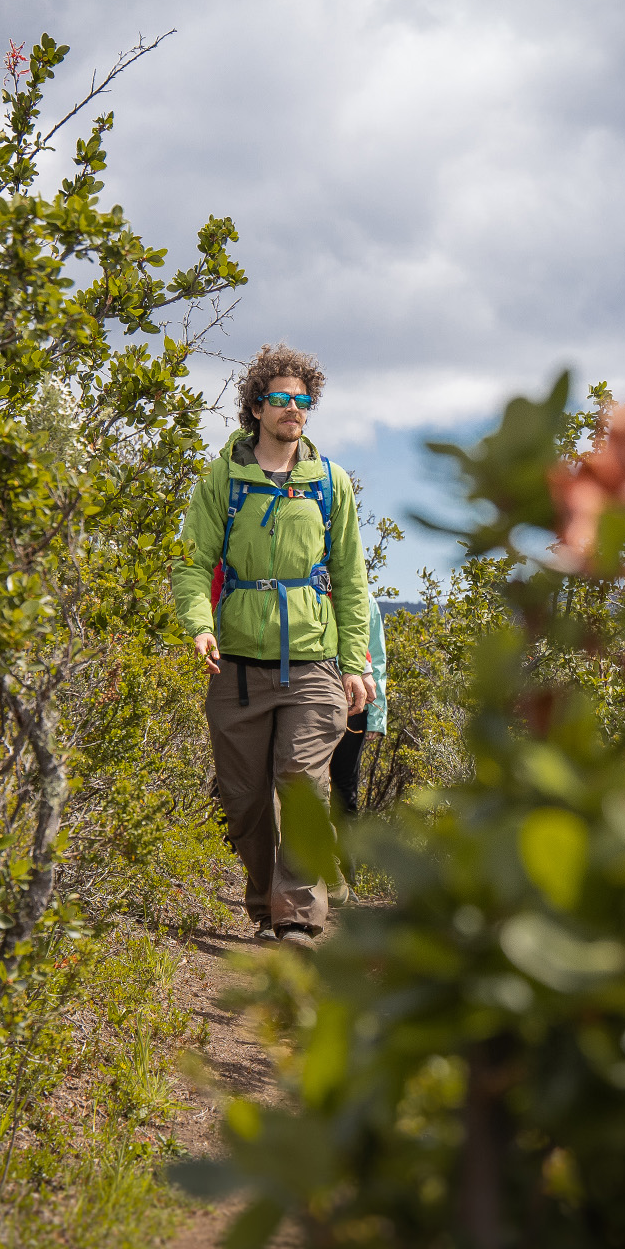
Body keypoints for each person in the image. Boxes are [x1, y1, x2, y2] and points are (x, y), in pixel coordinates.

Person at [171, 343, 374, 950]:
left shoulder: (330, 483)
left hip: (314, 661)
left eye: (302, 400)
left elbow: (352, 578)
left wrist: (356, 662)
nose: (293, 409)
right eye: (281, 398)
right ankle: (264, 902)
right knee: (244, 800)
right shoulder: (222, 479)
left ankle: (297, 918)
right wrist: (199, 623)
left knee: (301, 780)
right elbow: (192, 563)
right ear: (256, 406)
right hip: (237, 665)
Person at [329, 590, 387, 898]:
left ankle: (346, 879)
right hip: (311, 695)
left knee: (344, 790)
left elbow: (376, 658)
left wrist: (377, 719)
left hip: (356, 703)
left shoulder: (365, 600)